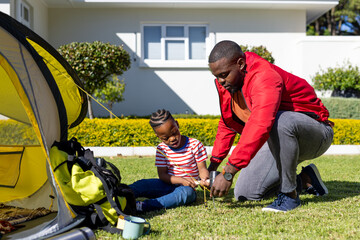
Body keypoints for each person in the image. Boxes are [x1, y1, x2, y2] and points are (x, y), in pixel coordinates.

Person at [207, 40, 334, 212]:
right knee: (246, 192)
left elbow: (260, 123)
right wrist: (213, 167)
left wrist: (229, 172)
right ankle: (305, 179)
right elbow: (228, 123)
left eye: (224, 74)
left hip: (316, 133)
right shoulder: (229, 83)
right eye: (216, 76)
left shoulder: (263, 76)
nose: (220, 81)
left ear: (241, 64)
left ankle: (289, 195)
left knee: (281, 120)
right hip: (278, 136)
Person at [129, 109, 210, 212]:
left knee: (187, 194)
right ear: (158, 136)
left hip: (187, 188)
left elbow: (202, 169)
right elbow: (162, 175)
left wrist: (205, 179)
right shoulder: (162, 149)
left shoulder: (195, 145)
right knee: (143, 184)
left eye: (174, 133)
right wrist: (181, 180)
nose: (172, 139)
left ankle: (145, 206)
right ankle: (120, 193)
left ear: (177, 124)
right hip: (166, 185)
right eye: (165, 138)